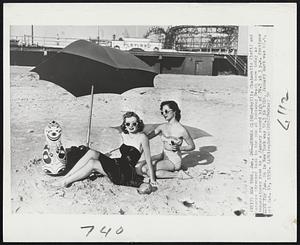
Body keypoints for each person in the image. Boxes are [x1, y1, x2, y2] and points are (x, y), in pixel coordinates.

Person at [52, 112, 157, 188]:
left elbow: (148, 159)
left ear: (138, 123)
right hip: (117, 163)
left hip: (124, 172)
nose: (131, 126)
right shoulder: (124, 135)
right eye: (128, 124)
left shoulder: (142, 137)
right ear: (124, 125)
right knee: (92, 152)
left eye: (134, 123)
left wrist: (152, 179)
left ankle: (65, 182)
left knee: (93, 163)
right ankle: (66, 176)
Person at [137, 100, 195, 179]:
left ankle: (178, 175)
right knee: (145, 169)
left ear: (174, 111)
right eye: (162, 112)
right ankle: (174, 173)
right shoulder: (162, 127)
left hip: (174, 161)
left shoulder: (181, 130)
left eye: (166, 111)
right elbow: (147, 137)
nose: (164, 114)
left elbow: (192, 146)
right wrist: (138, 130)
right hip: (164, 157)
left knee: (148, 171)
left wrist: (179, 148)